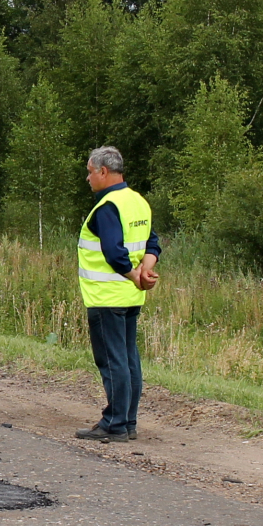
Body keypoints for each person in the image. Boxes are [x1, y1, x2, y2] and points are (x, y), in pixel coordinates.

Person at [75, 145, 160, 443]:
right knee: (128, 358)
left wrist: (135, 274)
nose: (87, 179)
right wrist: (145, 272)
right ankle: (129, 420)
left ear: (103, 171)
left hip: (107, 295)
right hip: (131, 296)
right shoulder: (137, 201)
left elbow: (113, 252)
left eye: (89, 172)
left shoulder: (107, 207)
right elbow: (153, 243)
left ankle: (115, 422)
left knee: (112, 360)